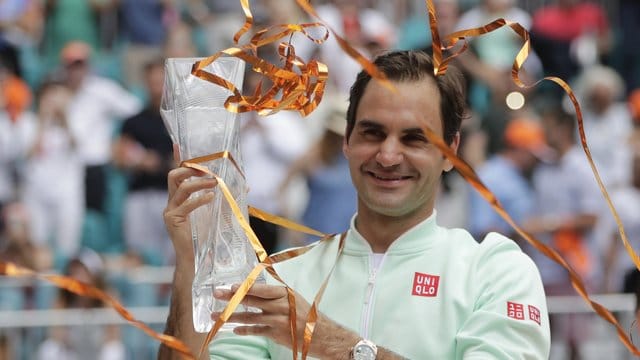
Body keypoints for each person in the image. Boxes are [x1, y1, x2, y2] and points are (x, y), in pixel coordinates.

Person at [160, 50, 550, 359]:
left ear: (451, 152)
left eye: (414, 138)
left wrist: (336, 345)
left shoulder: (495, 271)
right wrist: (192, 260)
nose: (388, 155)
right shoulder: (280, 278)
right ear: (347, 141)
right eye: (372, 133)